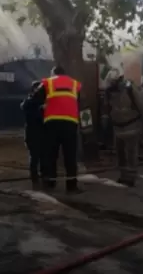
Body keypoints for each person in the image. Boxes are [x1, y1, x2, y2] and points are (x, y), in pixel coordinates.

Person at [30, 66, 83, 194]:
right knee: (70, 156)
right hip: (71, 123)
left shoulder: (48, 82)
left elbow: (34, 99)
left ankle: (50, 182)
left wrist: (42, 107)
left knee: (51, 154)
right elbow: (79, 102)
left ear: (53, 73)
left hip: (52, 123)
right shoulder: (75, 84)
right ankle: (72, 186)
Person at [101, 69, 143, 187]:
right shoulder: (109, 91)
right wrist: (105, 119)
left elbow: (141, 103)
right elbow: (107, 107)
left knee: (131, 153)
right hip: (118, 127)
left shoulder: (129, 88)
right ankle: (123, 176)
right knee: (120, 153)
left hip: (131, 125)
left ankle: (131, 177)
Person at [20, 80, 45, 187]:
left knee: (41, 157)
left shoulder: (31, 103)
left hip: (38, 133)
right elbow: (34, 117)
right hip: (33, 133)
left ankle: (41, 177)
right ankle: (35, 178)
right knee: (35, 157)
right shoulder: (31, 103)